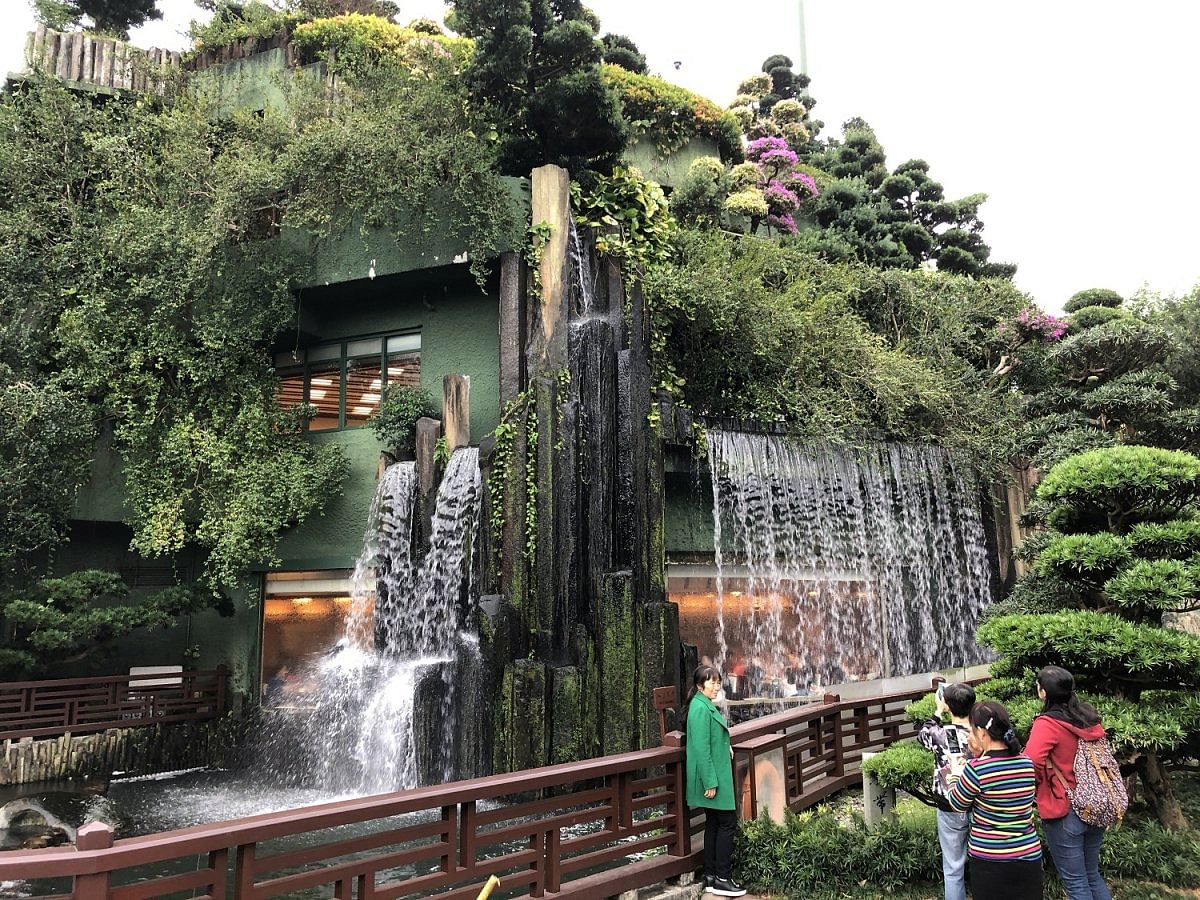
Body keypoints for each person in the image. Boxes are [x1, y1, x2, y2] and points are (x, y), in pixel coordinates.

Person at [1024, 666, 1112, 900]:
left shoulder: (1047, 724)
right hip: (1096, 804)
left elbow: (1030, 763)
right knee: (1092, 874)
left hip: (1065, 808)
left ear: (1043, 692)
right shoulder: (1089, 719)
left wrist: (1040, 788)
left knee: (1076, 882)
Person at [946, 700, 1043, 900]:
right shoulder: (1026, 763)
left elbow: (956, 804)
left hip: (990, 859)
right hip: (1028, 854)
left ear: (982, 733)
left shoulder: (977, 769)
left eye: (972, 731)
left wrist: (955, 775)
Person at [684, 664, 746, 898]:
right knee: (727, 823)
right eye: (712, 682)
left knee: (713, 823)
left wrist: (724, 743)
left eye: (718, 682)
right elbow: (700, 747)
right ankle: (723, 878)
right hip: (713, 778)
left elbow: (709, 737)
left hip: (714, 774)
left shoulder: (702, 705)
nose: (716, 686)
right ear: (700, 685)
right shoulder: (700, 708)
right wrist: (710, 781)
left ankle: (710, 876)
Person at [917, 682, 976, 900]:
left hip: (949, 804)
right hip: (978, 803)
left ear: (949, 707)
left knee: (953, 867)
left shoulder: (940, 735)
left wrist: (937, 711)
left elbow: (922, 733)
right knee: (983, 861)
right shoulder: (981, 736)